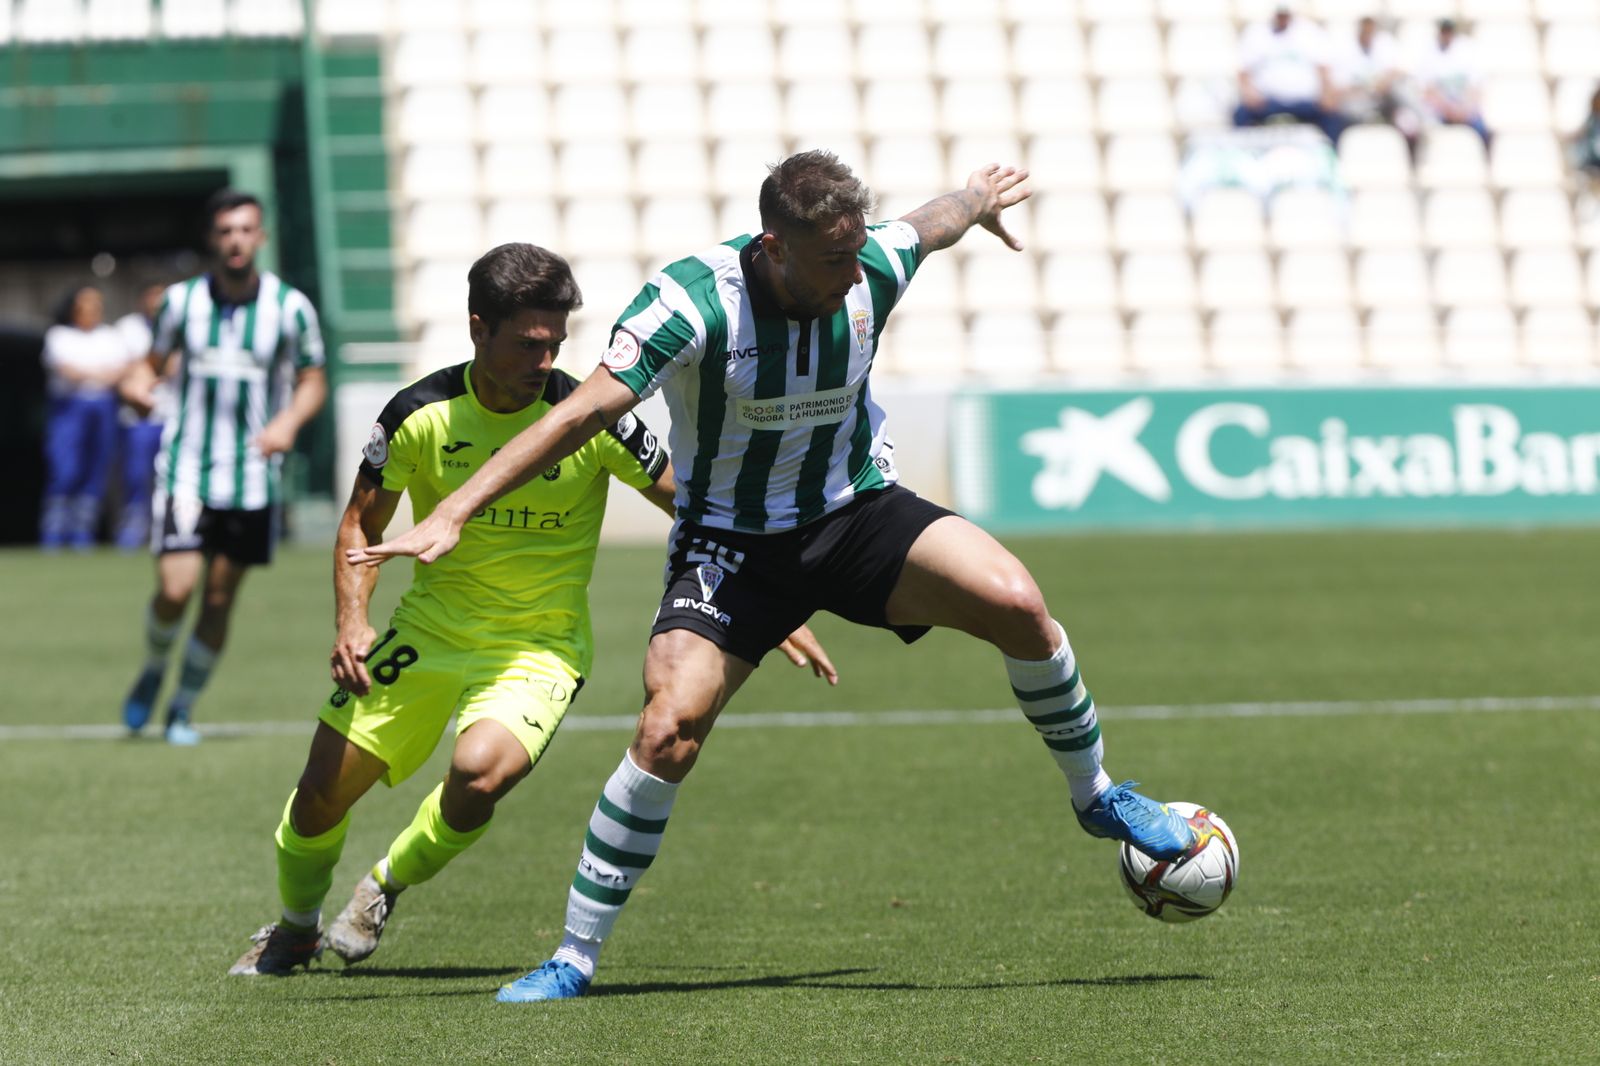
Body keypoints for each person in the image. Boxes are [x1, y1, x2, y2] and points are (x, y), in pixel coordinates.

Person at [350, 151, 1202, 1004]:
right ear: (774, 247)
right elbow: (582, 413)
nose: (852, 270)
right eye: (832, 258)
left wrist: (978, 199)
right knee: (666, 729)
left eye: (857, 247)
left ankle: (1096, 795)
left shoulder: (870, 261)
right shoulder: (690, 302)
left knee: (1018, 602)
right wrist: (456, 507)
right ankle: (574, 956)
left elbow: (931, 224)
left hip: (853, 515)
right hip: (731, 544)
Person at [227, 243, 833, 975]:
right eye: (527, 343)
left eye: (555, 344)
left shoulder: (593, 419)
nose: (545, 360)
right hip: (429, 631)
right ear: (479, 328)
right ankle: (295, 926)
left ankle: (384, 885)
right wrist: (353, 621)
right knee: (321, 793)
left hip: (539, 646)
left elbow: (691, 502)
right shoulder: (418, 415)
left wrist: (762, 594)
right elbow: (362, 521)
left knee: (480, 774)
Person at [119, 189, 327, 745]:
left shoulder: (290, 308)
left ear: (260, 238)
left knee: (218, 598)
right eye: (226, 231)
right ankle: (154, 667)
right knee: (175, 588)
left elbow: (313, 379)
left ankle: (181, 708)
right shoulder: (182, 302)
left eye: (245, 230)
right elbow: (151, 365)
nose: (235, 240)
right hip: (185, 468)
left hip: (252, 477)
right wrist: (138, 385)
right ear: (213, 239)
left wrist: (287, 424)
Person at [39, 283, 135, 550]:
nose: (93, 309)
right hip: (69, 409)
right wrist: (102, 375)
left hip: (103, 409)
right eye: (86, 303)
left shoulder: (109, 336)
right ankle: (55, 537)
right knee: (66, 471)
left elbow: (123, 368)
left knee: (96, 471)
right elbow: (68, 370)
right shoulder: (59, 335)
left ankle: (83, 536)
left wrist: (97, 375)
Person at [1233, 4, 1347, 145]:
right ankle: (1244, 157)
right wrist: (1249, 93)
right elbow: (1243, 70)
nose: (1282, 18)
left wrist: (1327, 95)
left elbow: (1323, 67)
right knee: (1241, 113)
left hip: (1306, 101)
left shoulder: (1309, 31)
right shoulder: (1256, 32)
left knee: (1333, 116)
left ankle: (1331, 156)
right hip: (1266, 101)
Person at [113, 283, 170, 551]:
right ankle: (133, 533)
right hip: (139, 420)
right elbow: (125, 367)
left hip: (173, 416)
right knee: (136, 478)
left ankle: (168, 532)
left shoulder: (181, 325)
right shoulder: (128, 328)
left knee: (172, 481)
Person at [1334, 16, 1420, 148]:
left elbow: (1402, 70)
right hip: (1359, 100)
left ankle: (1417, 124)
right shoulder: (1344, 49)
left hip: (1383, 98)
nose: (1368, 35)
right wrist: (1369, 87)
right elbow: (1342, 88)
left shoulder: (1384, 43)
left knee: (1400, 91)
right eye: (1365, 31)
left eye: (1371, 31)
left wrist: (1384, 82)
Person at [1414, 17, 1489, 146]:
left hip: (1464, 109)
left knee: (1482, 129)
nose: (1446, 34)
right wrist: (1449, 110)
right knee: (1427, 130)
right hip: (1440, 112)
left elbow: (1475, 87)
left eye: (1449, 31)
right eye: (1444, 31)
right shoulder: (1427, 52)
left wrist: (1464, 109)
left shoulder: (1467, 49)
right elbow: (1428, 90)